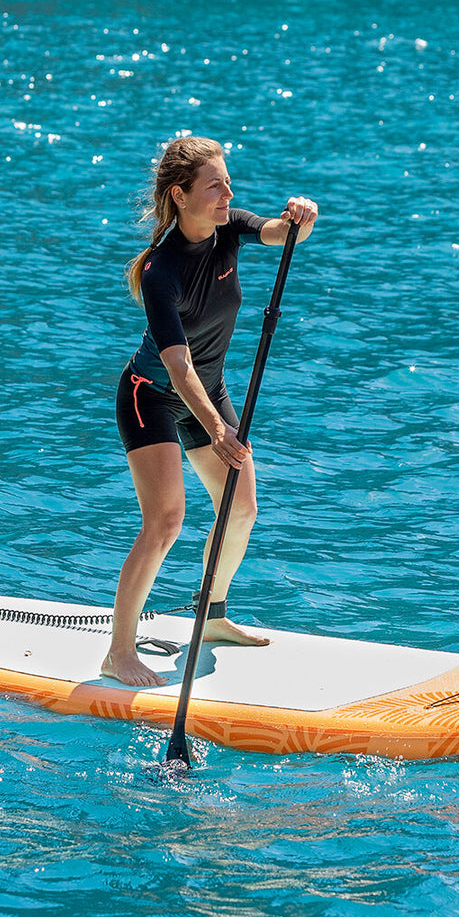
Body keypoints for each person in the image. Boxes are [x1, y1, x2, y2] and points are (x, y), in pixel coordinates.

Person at [101, 136, 318, 687]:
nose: (228, 193)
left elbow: (278, 233)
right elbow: (176, 366)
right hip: (150, 394)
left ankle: (211, 614)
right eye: (215, 185)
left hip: (209, 391)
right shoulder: (160, 271)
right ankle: (118, 652)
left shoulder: (229, 230)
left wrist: (300, 217)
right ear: (180, 195)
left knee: (240, 507)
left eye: (227, 181)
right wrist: (218, 428)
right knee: (166, 521)